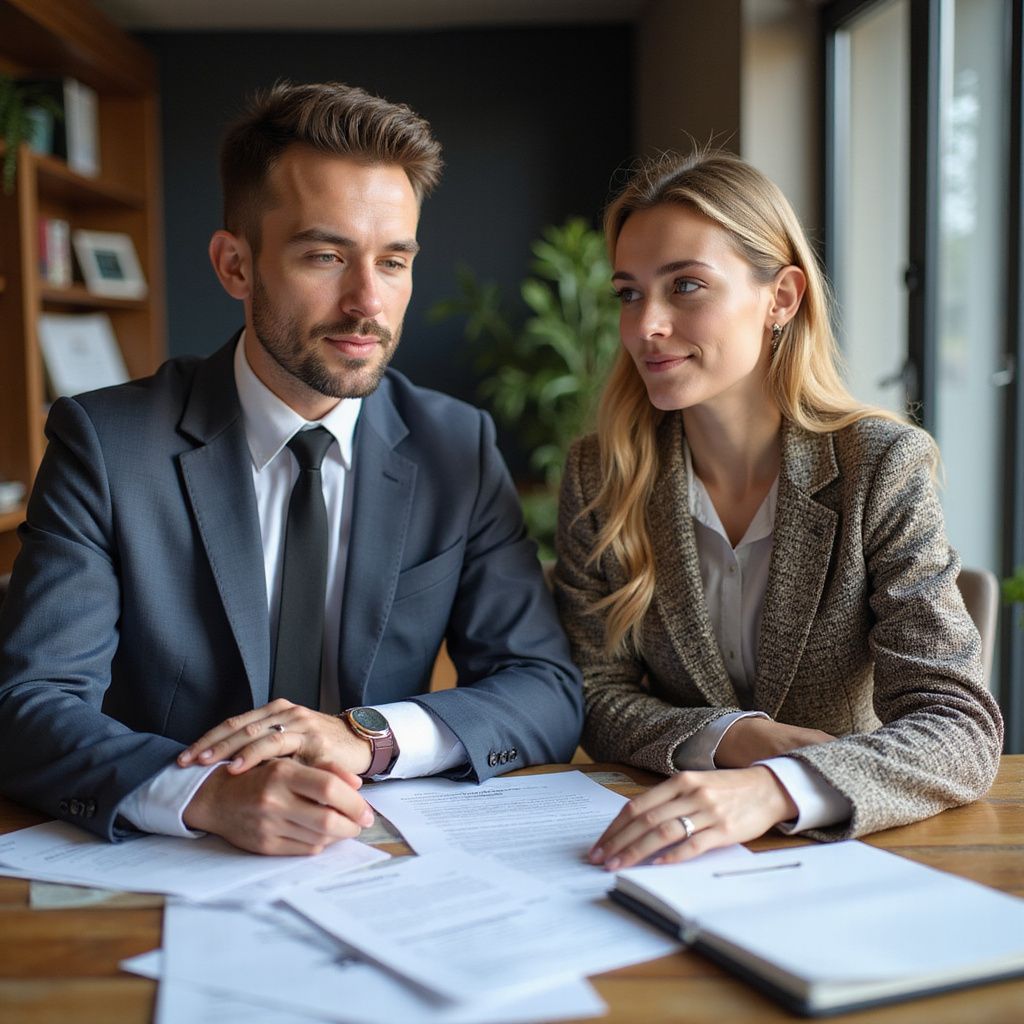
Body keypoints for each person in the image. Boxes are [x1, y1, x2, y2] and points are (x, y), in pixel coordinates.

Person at [0, 81, 583, 855]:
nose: (367, 302)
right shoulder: (107, 444)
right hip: (171, 863)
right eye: (325, 255)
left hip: (390, 862)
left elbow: (544, 689)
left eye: (394, 261)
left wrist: (367, 736)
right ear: (235, 265)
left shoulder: (457, 446)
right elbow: (29, 703)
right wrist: (208, 794)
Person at [553, 150, 1003, 871]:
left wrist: (774, 788)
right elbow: (586, 689)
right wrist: (730, 737)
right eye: (630, 294)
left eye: (686, 286)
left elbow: (959, 727)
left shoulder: (879, 465)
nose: (646, 327)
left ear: (782, 298)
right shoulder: (603, 473)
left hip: (850, 852)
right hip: (661, 851)